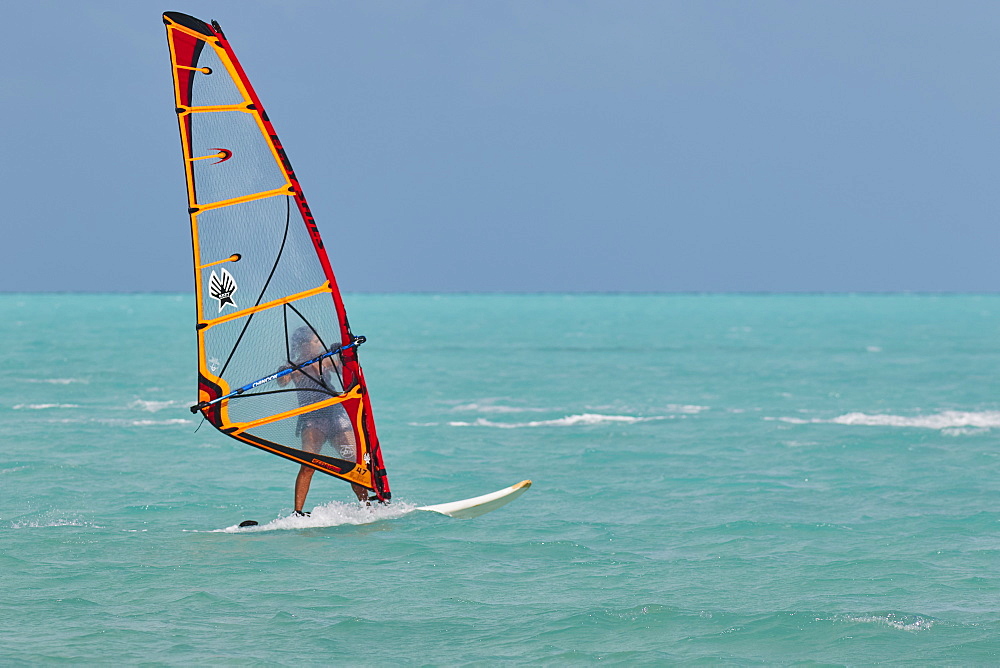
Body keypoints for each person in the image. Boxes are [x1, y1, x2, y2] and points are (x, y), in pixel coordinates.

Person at [277, 327, 368, 515]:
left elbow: (346, 374)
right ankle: (298, 512)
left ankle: (367, 506)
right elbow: (282, 381)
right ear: (303, 345)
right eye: (316, 342)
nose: (320, 344)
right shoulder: (292, 366)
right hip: (312, 419)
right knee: (308, 465)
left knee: (353, 462)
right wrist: (286, 370)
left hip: (336, 414)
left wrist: (344, 357)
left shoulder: (325, 360)